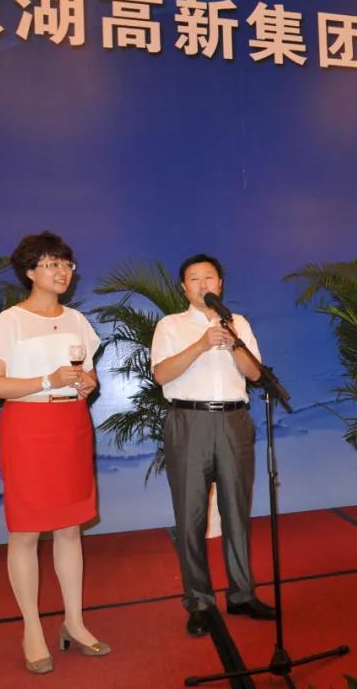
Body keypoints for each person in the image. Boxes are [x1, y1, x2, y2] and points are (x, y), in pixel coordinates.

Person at [0, 231, 110, 674]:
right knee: (26, 532)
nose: (62, 272)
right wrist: (46, 381)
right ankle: (32, 629)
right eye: (52, 264)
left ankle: (74, 621)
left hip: (71, 425)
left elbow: (87, 375)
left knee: (70, 528)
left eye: (66, 264)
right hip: (29, 429)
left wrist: (87, 383)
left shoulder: (77, 320)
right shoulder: (10, 321)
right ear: (30, 272)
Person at [151, 253, 274, 638]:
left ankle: (241, 594)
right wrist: (202, 344)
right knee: (191, 516)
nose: (203, 284)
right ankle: (199, 602)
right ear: (184, 287)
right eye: (194, 278)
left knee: (237, 511)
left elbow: (255, 373)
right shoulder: (170, 325)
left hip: (235, 420)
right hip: (189, 421)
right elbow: (161, 374)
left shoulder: (238, 323)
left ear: (220, 284)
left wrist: (232, 341)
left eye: (209, 277)